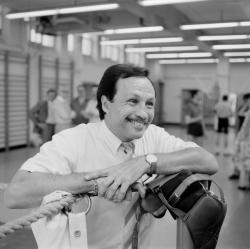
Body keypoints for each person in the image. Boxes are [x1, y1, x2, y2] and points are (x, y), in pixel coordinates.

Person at [4, 64, 218, 249]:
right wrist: (99, 182)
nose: (143, 113)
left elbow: (208, 160)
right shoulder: (73, 140)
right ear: (106, 104)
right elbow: (16, 193)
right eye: (132, 101)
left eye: (149, 103)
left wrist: (146, 163)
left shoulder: (152, 135)